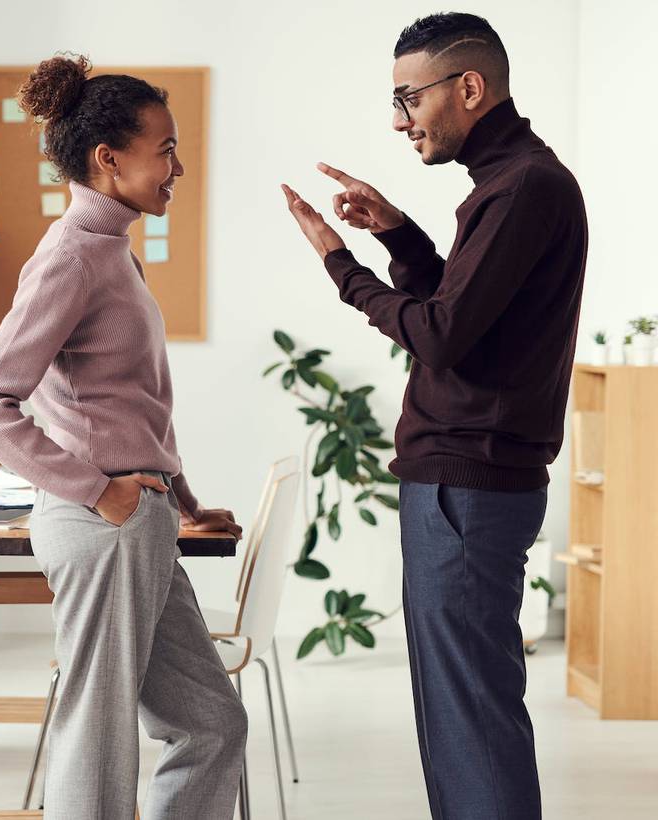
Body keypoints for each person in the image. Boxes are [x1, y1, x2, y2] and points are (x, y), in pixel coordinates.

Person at [281, 13, 586, 819]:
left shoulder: (521, 188)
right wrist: (399, 234)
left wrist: (340, 265)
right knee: (464, 716)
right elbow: (472, 314)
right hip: (472, 483)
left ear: (470, 88)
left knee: (471, 720)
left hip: (469, 486)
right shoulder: (513, 185)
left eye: (407, 98)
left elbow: (440, 335)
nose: (397, 119)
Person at [0, 54, 246, 818]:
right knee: (98, 732)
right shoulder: (71, 257)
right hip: (103, 522)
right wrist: (98, 490)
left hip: (140, 517)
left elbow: (135, 402)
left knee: (214, 723)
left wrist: (182, 498)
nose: (179, 166)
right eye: (167, 150)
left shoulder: (112, 248)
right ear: (108, 159)